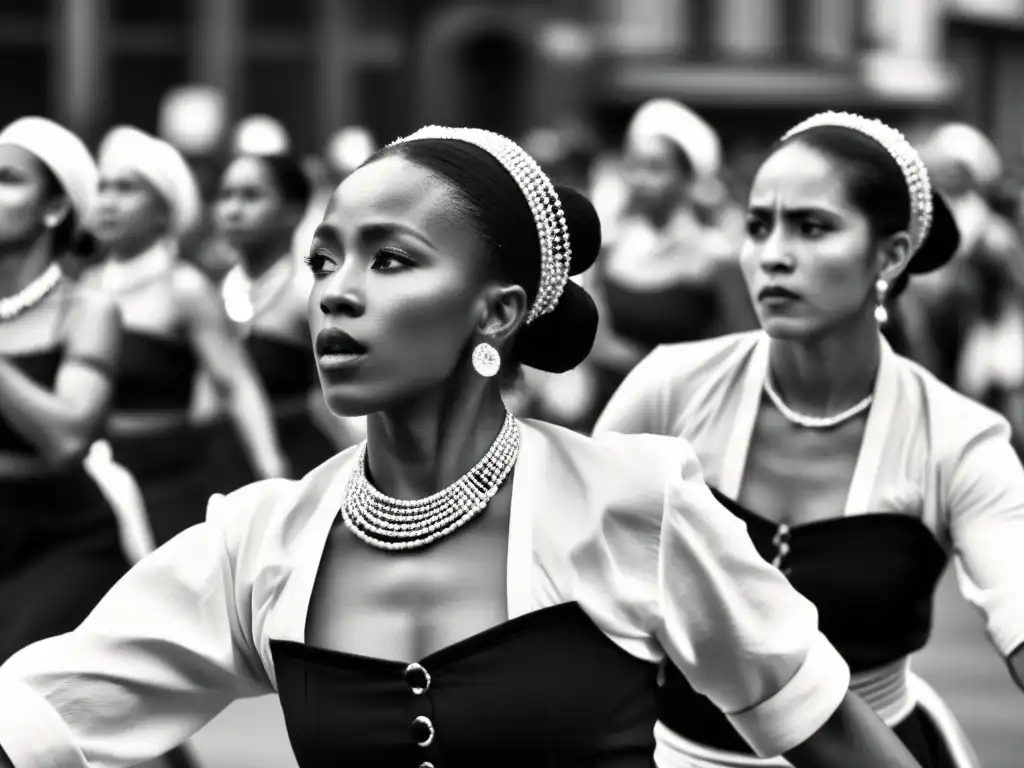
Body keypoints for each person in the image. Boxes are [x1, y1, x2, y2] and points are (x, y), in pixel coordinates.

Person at [0, 127, 925, 768]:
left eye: (390, 259)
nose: (335, 294)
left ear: (498, 312)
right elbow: (47, 708)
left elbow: (831, 735)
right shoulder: (261, 540)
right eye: (326, 260)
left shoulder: (636, 504)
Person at [595, 111, 1024, 767]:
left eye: (812, 227)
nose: (773, 255)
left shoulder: (959, 439)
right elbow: (565, 587)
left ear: (892, 253)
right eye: (759, 226)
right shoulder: (669, 387)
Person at [80, 126, 288, 547]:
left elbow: (236, 382)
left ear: (163, 208)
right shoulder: (85, 284)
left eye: (126, 189)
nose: (108, 202)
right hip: (91, 479)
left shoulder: (185, 288)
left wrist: (273, 472)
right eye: (101, 188)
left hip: (169, 481)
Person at [0, 118, 131, 661]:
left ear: (55, 209)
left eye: (7, 178)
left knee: (13, 696)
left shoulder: (88, 310)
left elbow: (67, 439)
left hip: (60, 535)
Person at [584, 99, 755, 430]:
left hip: (688, 421)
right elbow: (594, 340)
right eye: (633, 166)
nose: (641, 180)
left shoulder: (715, 256)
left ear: (688, 177)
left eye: (656, 168)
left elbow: (742, 347)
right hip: (608, 417)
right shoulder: (609, 247)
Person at [205, 152, 361, 491]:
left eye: (250, 196)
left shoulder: (310, 293)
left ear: (294, 211)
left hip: (296, 467)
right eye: (225, 195)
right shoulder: (211, 290)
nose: (232, 210)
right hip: (216, 466)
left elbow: (349, 398)